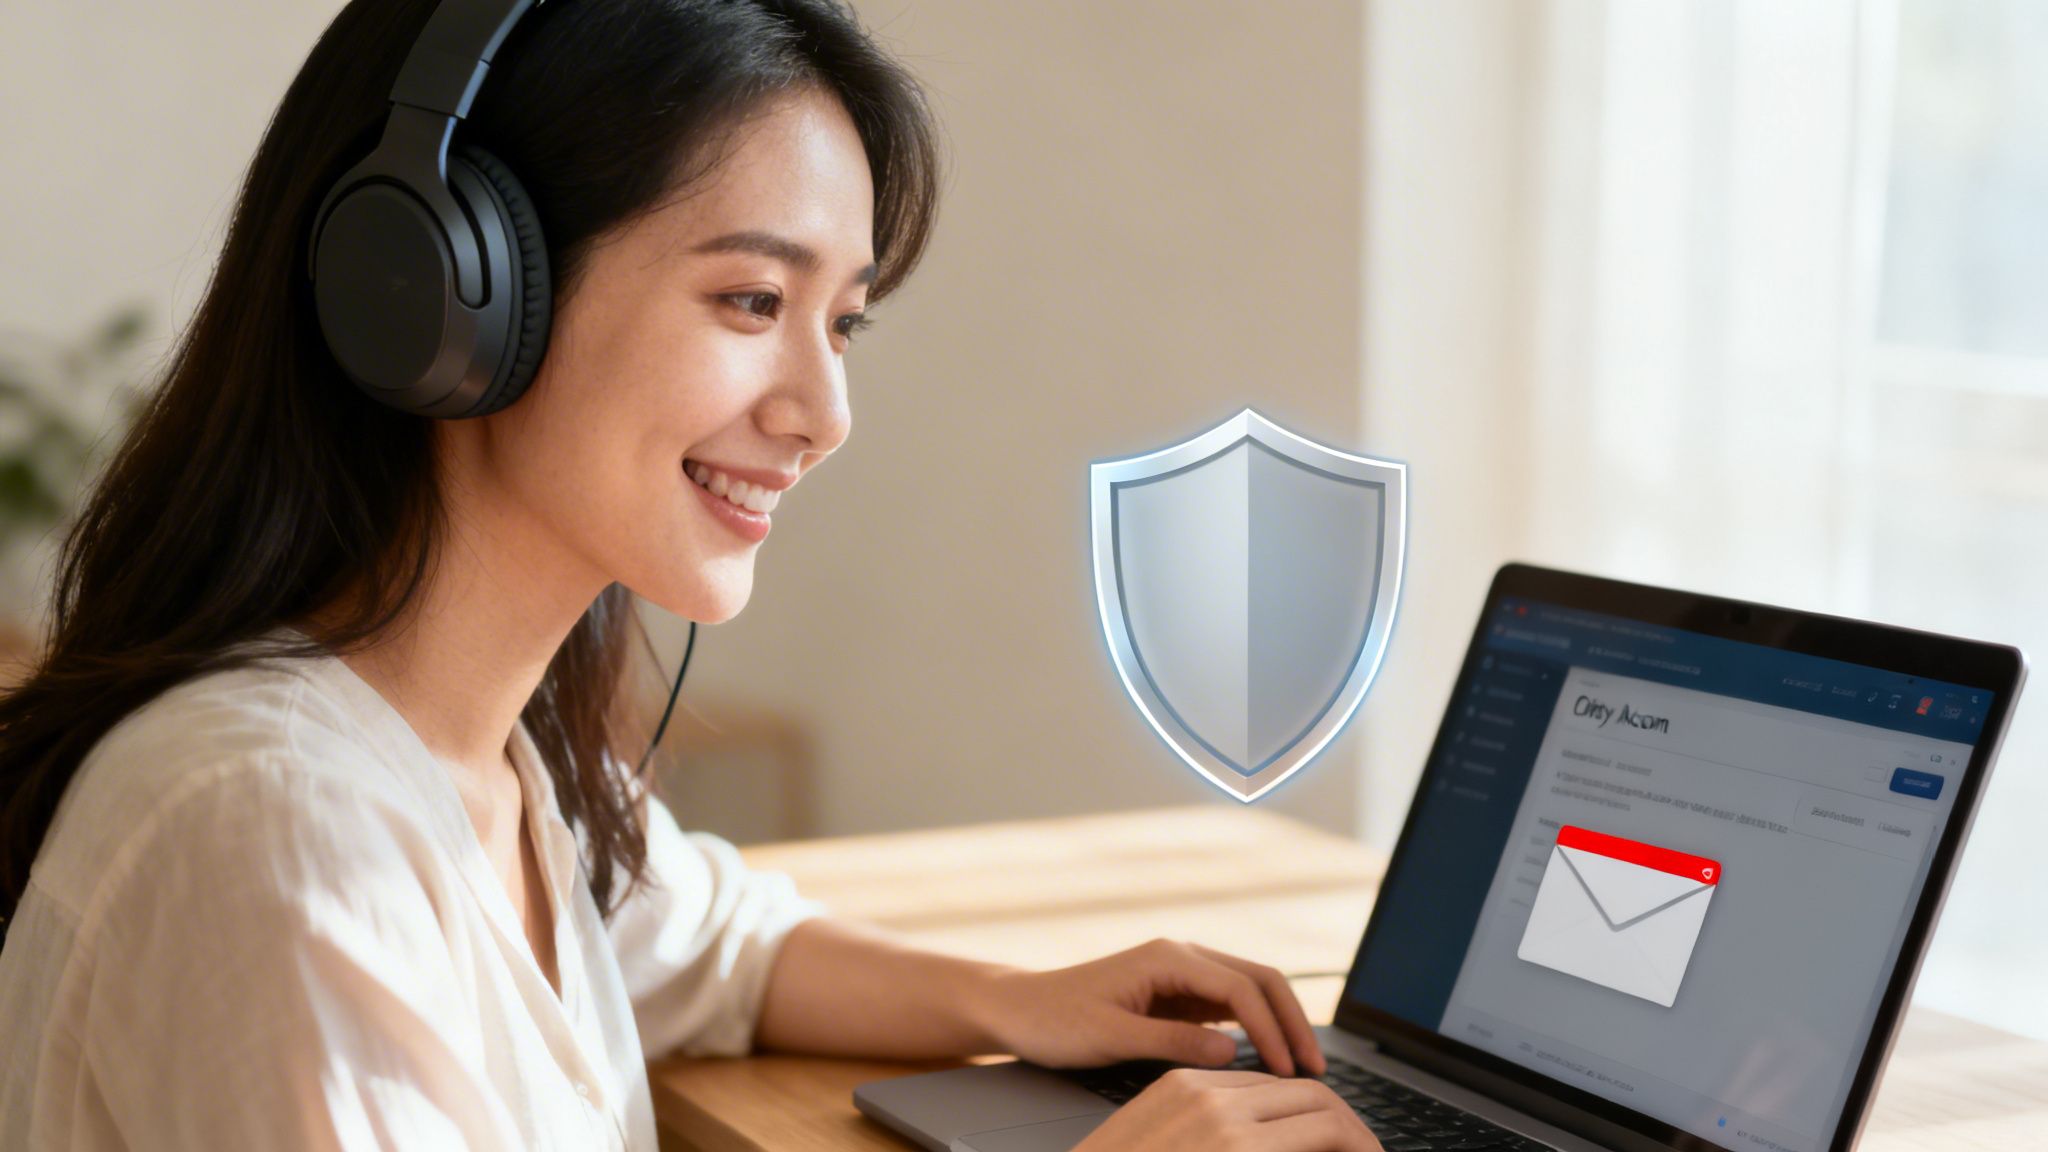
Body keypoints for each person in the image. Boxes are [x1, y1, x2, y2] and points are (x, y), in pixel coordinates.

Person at [0, 2, 1380, 1149]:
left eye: (842, 322)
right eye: (751, 302)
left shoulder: (488, 765)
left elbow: (718, 945)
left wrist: (1022, 1003)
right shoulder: (278, 835)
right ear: (448, 296)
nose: (823, 410)